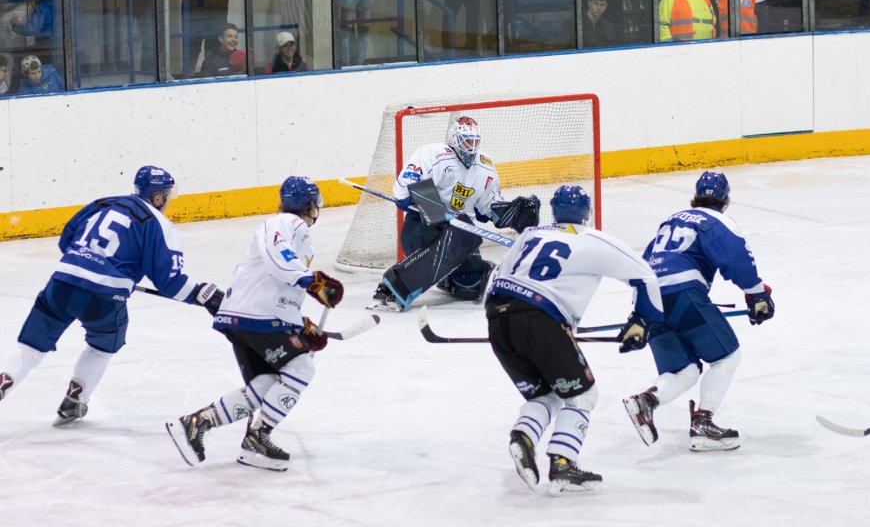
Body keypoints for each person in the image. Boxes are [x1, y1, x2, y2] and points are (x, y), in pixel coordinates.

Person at [0, 166, 225, 424]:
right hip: (105, 297)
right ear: (159, 197)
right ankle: (76, 399)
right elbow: (169, 283)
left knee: (29, 348)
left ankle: (3, 380)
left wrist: (88, 260)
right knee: (102, 345)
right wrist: (201, 294)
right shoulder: (159, 225)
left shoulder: (103, 203)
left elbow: (67, 241)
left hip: (63, 282)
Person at [488, 185, 665, 495]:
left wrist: (510, 322)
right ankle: (563, 465)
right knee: (583, 396)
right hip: (541, 320)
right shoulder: (592, 239)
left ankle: (524, 435)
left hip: (497, 319)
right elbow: (645, 276)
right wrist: (642, 321)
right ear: (587, 211)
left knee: (547, 395)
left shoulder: (529, 235)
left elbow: (496, 280)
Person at [166, 177, 344, 472]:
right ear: (309, 204)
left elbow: (273, 284)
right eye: (316, 202)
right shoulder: (286, 223)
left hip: (251, 315)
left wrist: (299, 327)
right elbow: (280, 259)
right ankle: (257, 437)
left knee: (265, 384)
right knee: (301, 368)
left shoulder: (289, 229)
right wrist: (310, 281)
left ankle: (195, 424)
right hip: (257, 316)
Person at [622, 171, 775, 452]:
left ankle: (646, 402)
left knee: (685, 371)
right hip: (683, 294)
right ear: (725, 200)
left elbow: (644, 265)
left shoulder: (671, 220)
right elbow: (736, 260)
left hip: (647, 299)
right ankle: (703, 422)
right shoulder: (715, 220)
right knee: (727, 355)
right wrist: (757, 295)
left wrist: (640, 316)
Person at [370, 115, 541, 312]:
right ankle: (393, 286)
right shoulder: (432, 154)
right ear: (454, 139)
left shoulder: (485, 166)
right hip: (422, 228)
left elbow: (488, 208)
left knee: (470, 285)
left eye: (475, 141)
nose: (472, 146)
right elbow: (403, 191)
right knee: (463, 234)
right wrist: (436, 210)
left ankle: (449, 278)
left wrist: (514, 213)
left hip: (460, 231)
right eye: (467, 141)